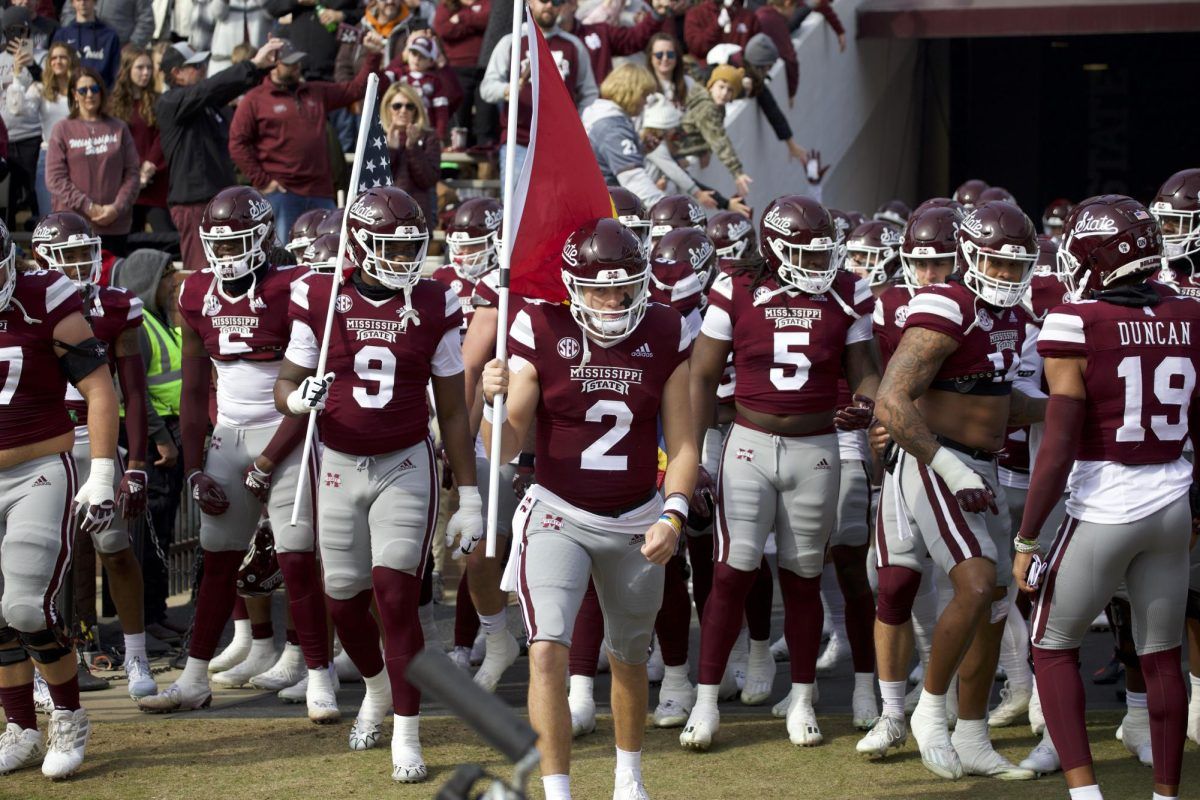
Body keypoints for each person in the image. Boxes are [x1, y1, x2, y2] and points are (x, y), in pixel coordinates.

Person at [480, 217, 697, 800]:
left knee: (628, 657)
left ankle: (628, 778)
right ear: (571, 285)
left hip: (637, 516)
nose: (612, 299)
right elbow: (504, 443)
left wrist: (673, 514)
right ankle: (557, 792)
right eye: (598, 287)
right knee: (547, 649)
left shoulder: (666, 327)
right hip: (558, 512)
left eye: (624, 285)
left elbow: (683, 444)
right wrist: (493, 401)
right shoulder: (543, 324)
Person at [275, 185, 481, 784]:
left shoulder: (436, 301)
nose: (405, 258)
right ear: (361, 245)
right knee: (343, 599)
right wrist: (295, 397)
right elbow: (284, 383)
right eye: (392, 246)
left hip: (404, 462)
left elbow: (455, 412)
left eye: (413, 245)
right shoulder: (322, 293)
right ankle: (375, 689)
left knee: (395, 597)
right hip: (336, 461)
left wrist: (467, 496)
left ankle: (407, 733)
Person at [682, 195, 879, 750]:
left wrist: (865, 404)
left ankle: (803, 697)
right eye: (808, 255)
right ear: (776, 250)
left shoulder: (848, 290)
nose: (821, 266)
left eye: (825, 255)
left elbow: (866, 372)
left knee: (803, 576)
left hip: (816, 448)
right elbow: (701, 375)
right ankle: (704, 701)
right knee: (730, 571)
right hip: (747, 443)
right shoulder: (736, 287)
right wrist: (695, 457)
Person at [137, 186, 335, 723]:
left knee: (297, 558)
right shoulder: (195, 292)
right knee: (218, 557)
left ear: (264, 237)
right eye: (217, 246)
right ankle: (194, 680)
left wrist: (270, 459)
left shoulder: (293, 287)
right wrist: (197, 465)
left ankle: (319, 674)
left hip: (287, 433)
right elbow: (195, 389)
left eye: (237, 244)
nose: (225, 257)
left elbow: (308, 385)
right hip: (230, 435)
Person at [1017, 195, 1191, 800]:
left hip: (1105, 505)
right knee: (1164, 654)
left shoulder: (1076, 319)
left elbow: (1060, 442)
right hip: (1174, 500)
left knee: (1052, 645)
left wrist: (1027, 535)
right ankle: (1166, 795)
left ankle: (1087, 796)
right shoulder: (1191, 314)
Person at [871, 200, 1043, 780]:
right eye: (994, 265)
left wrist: (1067, 407)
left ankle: (972, 736)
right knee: (973, 582)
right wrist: (948, 466)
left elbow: (998, 404)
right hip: (933, 461)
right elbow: (892, 400)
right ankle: (930, 710)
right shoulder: (947, 303)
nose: (1004, 278)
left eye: (1015, 268)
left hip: (983, 466)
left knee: (994, 603)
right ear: (970, 255)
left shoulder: (1015, 318)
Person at [0, 218, 118, 779]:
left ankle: (68, 715)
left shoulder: (47, 299)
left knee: (27, 606)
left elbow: (100, 387)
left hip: (37, 469)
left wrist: (101, 470)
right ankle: (20, 725)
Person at [32, 210, 157, 702]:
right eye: (71, 256)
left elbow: (134, 390)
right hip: (44, 442)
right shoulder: (27, 305)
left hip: (96, 439)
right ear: (43, 258)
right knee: (37, 563)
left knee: (116, 551)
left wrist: (138, 464)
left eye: (88, 253)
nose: (83, 265)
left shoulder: (116, 304)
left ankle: (137, 654)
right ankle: (44, 668)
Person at [229, 36, 383, 243]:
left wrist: (373, 55)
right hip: (282, 193)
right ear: (273, 65)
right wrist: (263, 181)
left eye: (297, 62)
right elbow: (237, 143)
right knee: (284, 259)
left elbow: (356, 89)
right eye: (290, 63)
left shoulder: (315, 91)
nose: (297, 67)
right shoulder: (254, 100)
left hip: (320, 191)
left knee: (328, 253)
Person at [108, 249, 186, 645]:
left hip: (168, 434)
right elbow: (132, 391)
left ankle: (156, 613)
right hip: (154, 440)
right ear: (149, 280)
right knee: (146, 533)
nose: (174, 282)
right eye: (168, 275)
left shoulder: (160, 320)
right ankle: (144, 619)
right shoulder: (139, 326)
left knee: (162, 532)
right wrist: (160, 437)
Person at [156, 38, 284, 270]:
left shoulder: (209, 104)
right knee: (202, 273)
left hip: (222, 201)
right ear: (176, 73)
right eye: (195, 66)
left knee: (235, 267)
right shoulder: (170, 102)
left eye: (204, 64)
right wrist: (252, 64)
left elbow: (224, 88)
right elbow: (210, 88)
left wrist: (261, 68)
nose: (203, 69)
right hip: (195, 204)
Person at [479, 0, 597, 184]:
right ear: (530, 3)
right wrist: (507, 89)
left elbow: (589, 94)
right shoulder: (512, 42)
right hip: (518, 143)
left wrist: (578, 125)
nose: (549, 5)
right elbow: (486, 88)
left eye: (556, 1)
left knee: (559, 210)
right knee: (517, 210)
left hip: (562, 145)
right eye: (543, 0)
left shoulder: (573, 45)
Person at [44, 68, 139, 254]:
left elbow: (132, 173)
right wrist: (88, 207)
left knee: (111, 280)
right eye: (83, 90)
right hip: (72, 227)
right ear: (74, 94)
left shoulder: (119, 127)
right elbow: (55, 179)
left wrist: (116, 208)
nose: (89, 94)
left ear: (102, 92)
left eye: (94, 89)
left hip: (115, 224)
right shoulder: (62, 129)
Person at [7, 39, 76, 226]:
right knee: (50, 215)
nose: (58, 61)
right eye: (53, 58)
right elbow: (17, 108)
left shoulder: (81, 89)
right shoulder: (40, 89)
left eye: (63, 57)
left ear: (71, 60)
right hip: (49, 156)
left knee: (76, 215)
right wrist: (17, 74)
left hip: (77, 154)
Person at [108, 45, 171, 233]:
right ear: (127, 69)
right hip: (125, 183)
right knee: (130, 237)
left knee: (167, 236)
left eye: (149, 68)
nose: (146, 73)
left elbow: (163, 135)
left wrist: (150, 166)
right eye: (140, 68)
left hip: (155, 180)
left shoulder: (159, 101)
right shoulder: (112, 104)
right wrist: (133, 174)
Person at [582, 63, 663, 208]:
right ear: (631, 92)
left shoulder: (598, 114)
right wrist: (665, 208)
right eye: (644, 95)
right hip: (606, 207)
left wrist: (640, 150)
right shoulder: (612, 126)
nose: (645, 102)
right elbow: (633, 179)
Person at [1, 7, 47, 227]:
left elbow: (50, 89)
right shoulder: (0, 59)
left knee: (35, 195)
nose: (19, 37)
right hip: (5, 138)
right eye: (14, 31)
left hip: (33, 134)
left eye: (24, 31)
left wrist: (30, 65)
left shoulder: (43, 57)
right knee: (7, 200)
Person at [678, 65, 751, 199]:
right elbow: (719, 140)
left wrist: (705, 150)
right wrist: (737, 172)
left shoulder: (719, 108)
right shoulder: (707, 107)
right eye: (721, 87)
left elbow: (710, 134)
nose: (724, 93)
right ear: (711, 86)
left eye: (730, 90)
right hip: (676, 151)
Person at [556, 0, 667, 86]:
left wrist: (656, 15)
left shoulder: (600, 32)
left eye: (557, 1)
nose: (551, 6)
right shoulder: (540, 45)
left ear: (573, 4)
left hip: (596, 108)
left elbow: (633, 39)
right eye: (544, 1)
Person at [433, 0, 493, 149]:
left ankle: (485, 163)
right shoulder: (446, 5)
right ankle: (453, 169)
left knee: (486, 120)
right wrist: (476, 24)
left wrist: (462, 18)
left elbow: (490, 21)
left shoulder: (488, 3)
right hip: (456, 71)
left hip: (485, 69)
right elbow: (443, 29)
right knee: (457, 120)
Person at [381, 81, 440, 224]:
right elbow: (377, 182)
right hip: (385, 217)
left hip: (418, 217)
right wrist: (391, 150)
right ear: (387, 108)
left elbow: (429, 179)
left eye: (409, 106)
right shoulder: (376, 137)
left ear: (416, 110)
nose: (403, 110)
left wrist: (413, 147)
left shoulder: (428, 137)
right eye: (397, 106)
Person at [265, 0, 360, 83]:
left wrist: (342, 15)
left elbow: (365, 12)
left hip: (335, 70)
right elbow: (271, 6)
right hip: (299, 71)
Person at [52, 0, 120, 85]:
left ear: (95, 2)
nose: (83, 3)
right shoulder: (62, 35)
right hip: (69, 92)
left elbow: (115, 73)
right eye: (78, 0)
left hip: (101, 93)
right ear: (73, 3)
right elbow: (54, 70)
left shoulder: (110, 36)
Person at [683, 0, 758, 62]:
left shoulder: (749, 17)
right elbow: (696, 47)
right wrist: (718, 24)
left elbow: (756, 51)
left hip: (740, 72)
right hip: (707, 72)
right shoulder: (695, 14)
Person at [59, 0, 154, 45]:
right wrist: (76, 36)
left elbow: (146, 22)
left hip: (120, 51)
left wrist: (132, 47)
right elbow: (68, 14)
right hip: (82, 48)